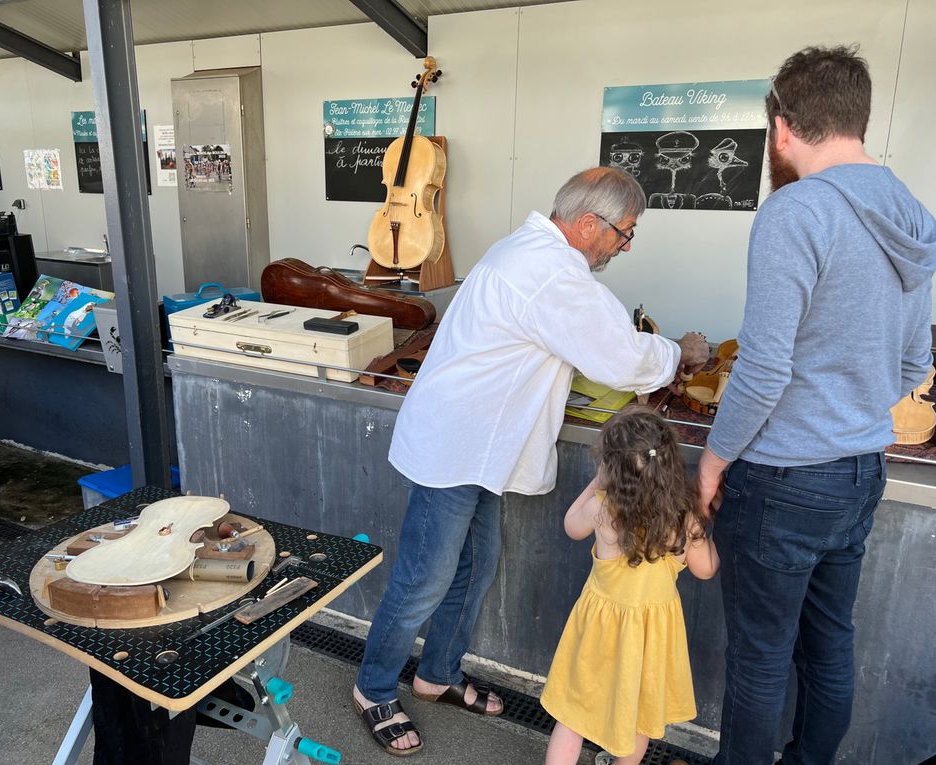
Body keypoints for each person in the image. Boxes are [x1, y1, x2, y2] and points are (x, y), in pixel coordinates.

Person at [353, 166, 711, 755]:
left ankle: (436, 674)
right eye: (625, 233)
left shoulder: (536, 255)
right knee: (425, 579)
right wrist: (681, 353)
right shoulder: (547, 271)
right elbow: (619, 356)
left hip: (481, 445)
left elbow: (591, 337)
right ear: (590, 223)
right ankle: (372, 688)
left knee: (477, 566)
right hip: (455, 445)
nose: (625, 246)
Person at [695, 45, 936, 765]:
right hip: (863, 466)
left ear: (782, 126)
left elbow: (763, 369)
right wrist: (851, 401)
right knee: (830, 643)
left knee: (762, 657)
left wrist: (713, 459)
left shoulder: (794, 211)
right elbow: (912, 363)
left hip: (784, 478)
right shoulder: (914, 215)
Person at [542, 406, 719, 765]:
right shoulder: (684, 518)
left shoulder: (603, 508)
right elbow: (707, 569)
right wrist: (704, 518)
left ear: (611, 468)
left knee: (574, 714)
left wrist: (597, 483)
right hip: (652, 637)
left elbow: (570, 526)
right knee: (640, 717)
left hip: (599, 630)